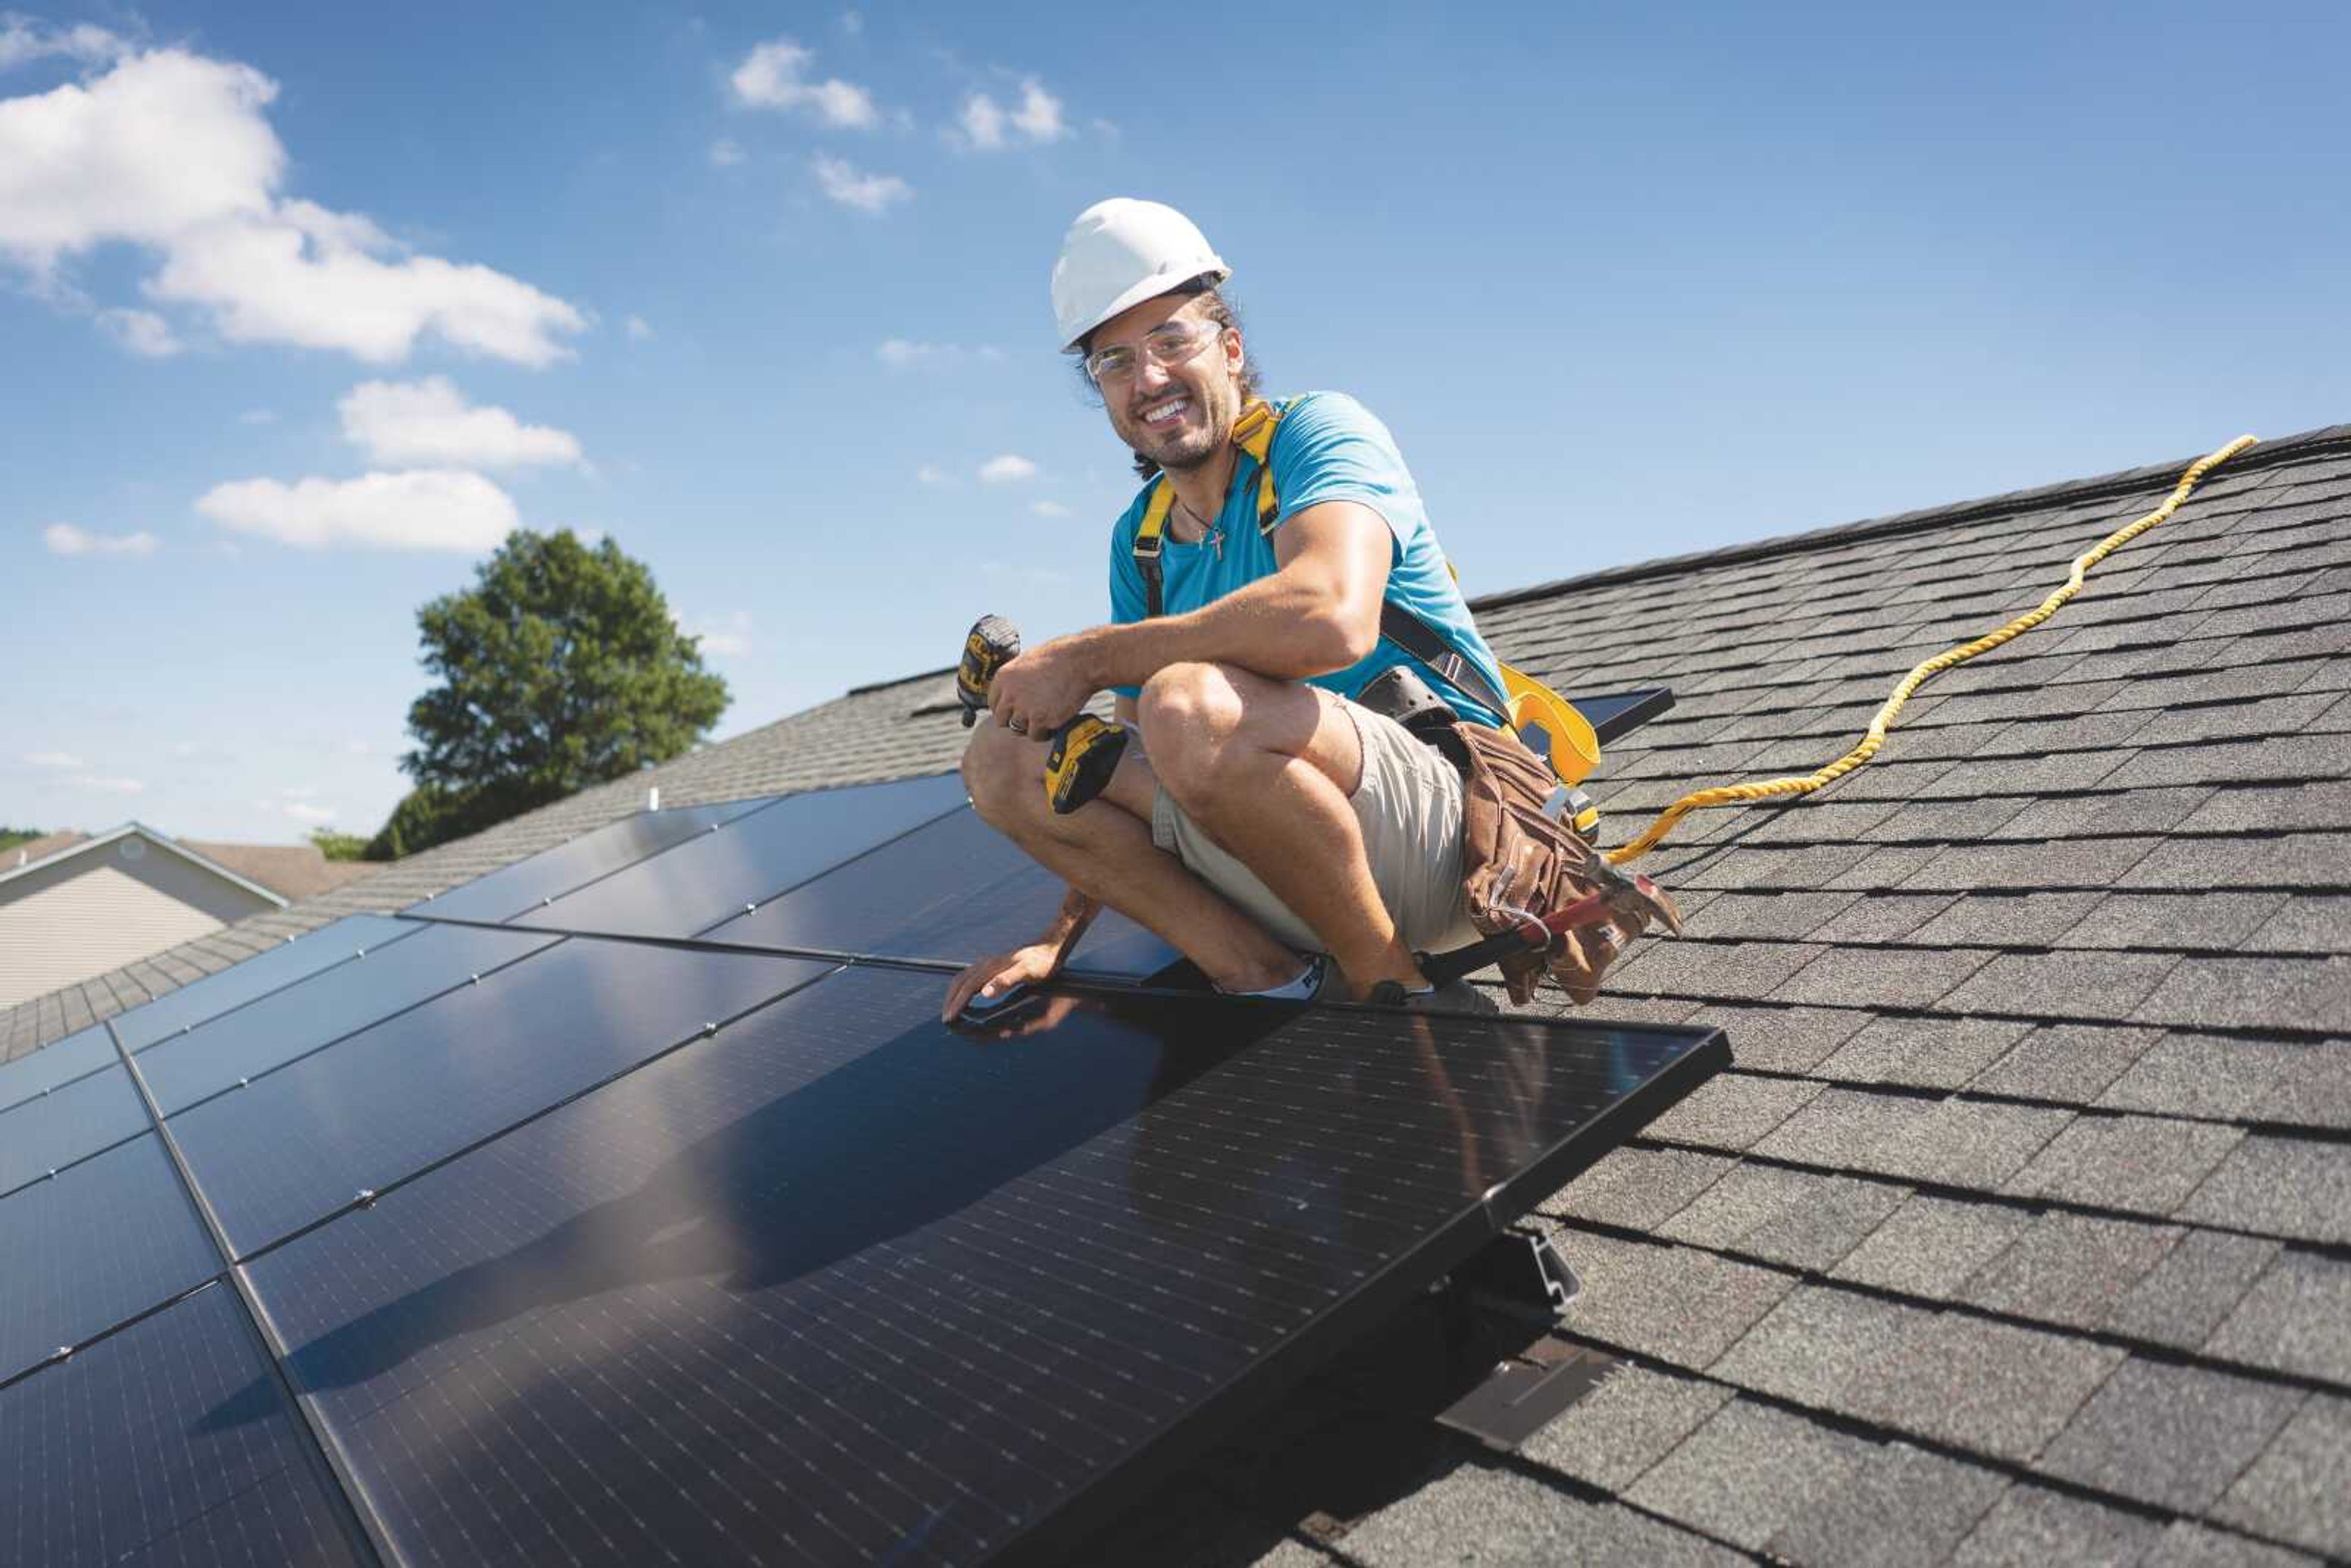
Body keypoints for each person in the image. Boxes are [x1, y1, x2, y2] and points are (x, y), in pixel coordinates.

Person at [944, 198, 1526, 1021]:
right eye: (1114, 361)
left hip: (1455, 841)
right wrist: (1058, 939)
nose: (1148, 379)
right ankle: (1264, 974)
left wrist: (1088, 655)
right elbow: (1111, 773)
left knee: (1191, 703)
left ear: (1231, 347)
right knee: (1001, 758)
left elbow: (1333, 616)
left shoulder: (1318, 434)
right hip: (1280, 862)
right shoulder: (1140, 543)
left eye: (1171, 340)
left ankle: (1394, 985)